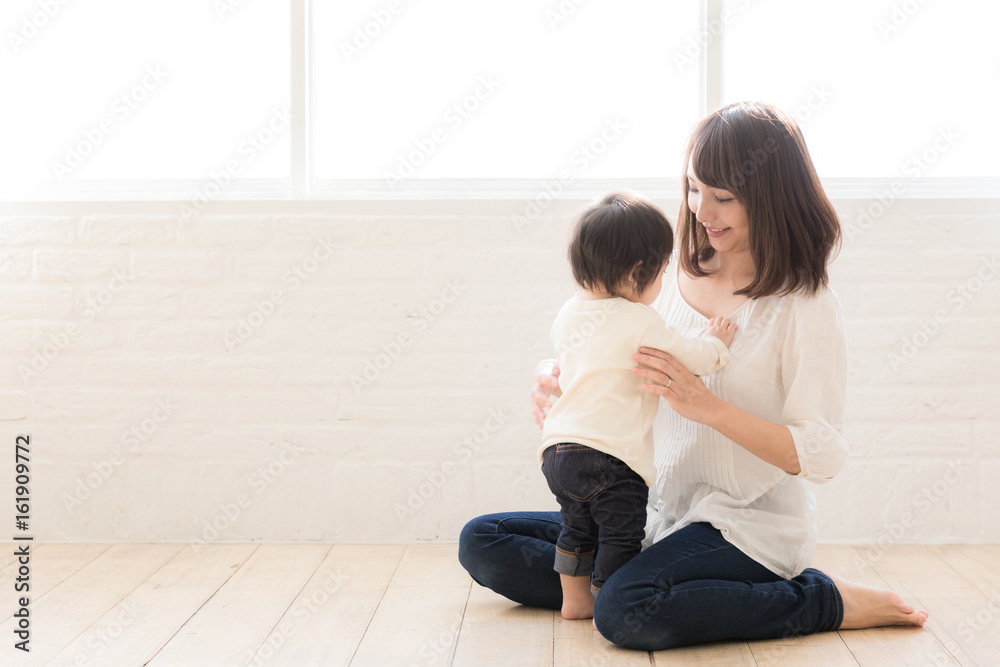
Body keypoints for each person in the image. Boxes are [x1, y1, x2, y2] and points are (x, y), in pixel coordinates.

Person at [459, 101, 928, 650]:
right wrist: (555, 376)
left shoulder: (804, 305)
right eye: (693, 188)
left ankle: (824, 599)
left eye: (724, 197)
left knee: (626, 611)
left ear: (772, 195)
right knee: (483, 540)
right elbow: (604, 346)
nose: (702, 210)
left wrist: (706, 406)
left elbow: (820, 454)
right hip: (652, 509)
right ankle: (649, 582)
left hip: (744, 527)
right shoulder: (664, 277)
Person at [540, 191, 736, 620]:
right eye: (662, 273)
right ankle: (611, 603)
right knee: (621, 536)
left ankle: (574, 601)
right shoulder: (640, 320)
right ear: (635, 274)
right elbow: (689, 356)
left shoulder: (568, 313)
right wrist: (717, 345)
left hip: (557, 452)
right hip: (612, 460)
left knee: (575, 527)